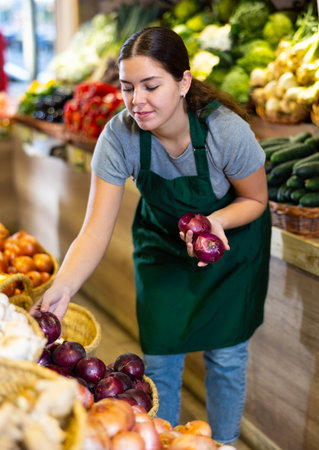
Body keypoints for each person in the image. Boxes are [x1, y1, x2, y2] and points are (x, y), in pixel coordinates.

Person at [32, 26, 271, 444]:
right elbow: (94, 229)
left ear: (183, 82)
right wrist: (62, 289)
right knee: (159, 361)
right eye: (127, 88)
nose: (136, 101)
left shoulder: (225, 131)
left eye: (150, 86)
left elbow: (255, 199)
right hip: (162, 249)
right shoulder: (119, 136)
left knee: (227, 358)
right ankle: (158, 440)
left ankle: (224, 443)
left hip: (231, 248)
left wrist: (216, 223)